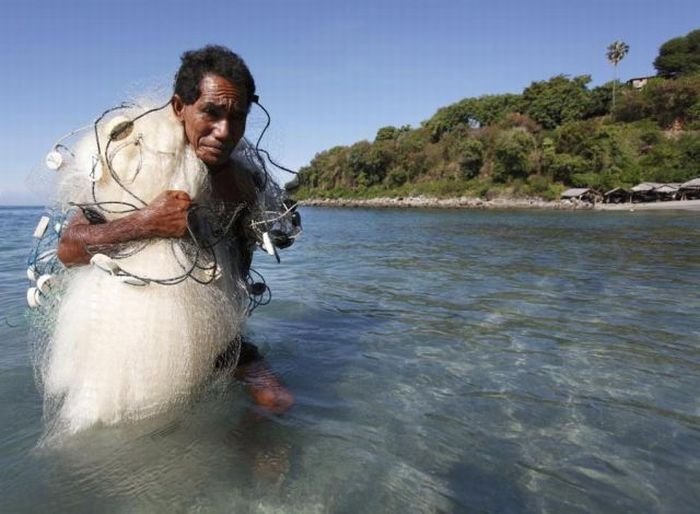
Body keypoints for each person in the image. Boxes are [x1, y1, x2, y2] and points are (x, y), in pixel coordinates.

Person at [54, 45, 294, 425]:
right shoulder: (132, 160)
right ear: (180, 107)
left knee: (276, 400)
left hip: (218, 336)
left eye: (238, 118)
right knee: (146, 422)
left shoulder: (242, 184)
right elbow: (68, 249)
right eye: (211, 113)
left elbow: (240, 265)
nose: (224, 132)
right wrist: (147, 222)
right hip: (134, 334)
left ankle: (251, 467)